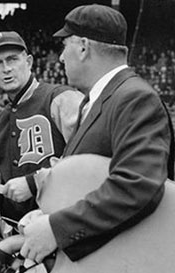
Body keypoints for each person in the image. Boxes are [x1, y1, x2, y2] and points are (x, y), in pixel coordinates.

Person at [17, 4, 174, 264]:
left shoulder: (134, 97)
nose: (61, 58)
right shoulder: (98, 99)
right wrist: (47, 215)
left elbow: (137, 184)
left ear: (83, 47)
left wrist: (57, 227)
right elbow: (87, 182)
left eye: (63, 46)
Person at [0, 31, 83, 240]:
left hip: (64, 229)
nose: (6, 69)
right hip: (17, 235)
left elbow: (87, 160)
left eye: (12, 59)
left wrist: (34, 183)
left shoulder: (61, 98)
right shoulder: (0, 121)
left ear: (29, 61)